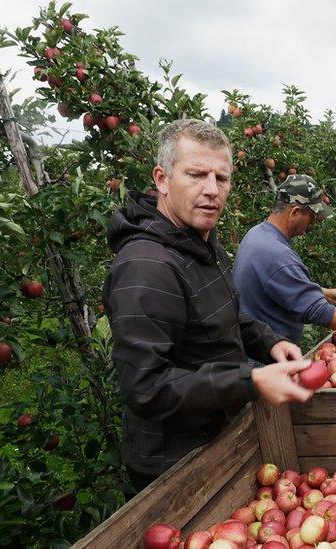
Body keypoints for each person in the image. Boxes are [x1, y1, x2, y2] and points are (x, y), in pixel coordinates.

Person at [103, 119, 314, 492]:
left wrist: (268, 342)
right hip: (175, 466)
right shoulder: (146, 267)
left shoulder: (199, 241)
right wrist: (249, 379)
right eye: (196, 174)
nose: (212, 190)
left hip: (216, 439)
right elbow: (146, 387)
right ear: (162, 179)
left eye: (222, 178)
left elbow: (226, 312)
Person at [233, 174, 336, 344]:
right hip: (269, 359)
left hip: (253, 345)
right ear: (295, 212)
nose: (314, 222)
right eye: (313, 216)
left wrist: (326, 293)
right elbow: (317, 312)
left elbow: (279, 283)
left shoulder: (257, 234)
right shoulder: (277, 254)